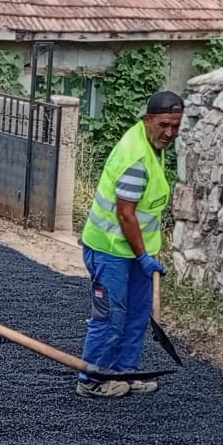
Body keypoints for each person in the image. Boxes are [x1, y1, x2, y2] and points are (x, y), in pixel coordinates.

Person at [78, 88, 184, 398]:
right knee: (111, 315)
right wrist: (144, 255)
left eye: (176, 126)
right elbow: (125, 215)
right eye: (164, 124)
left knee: (139, 312)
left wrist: (146, 253)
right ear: (148, 119)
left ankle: (125, 370)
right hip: (110, 248)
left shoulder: (152, 145)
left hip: (136, 251)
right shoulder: (135, 157)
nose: (170, 132)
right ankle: (92, 378)